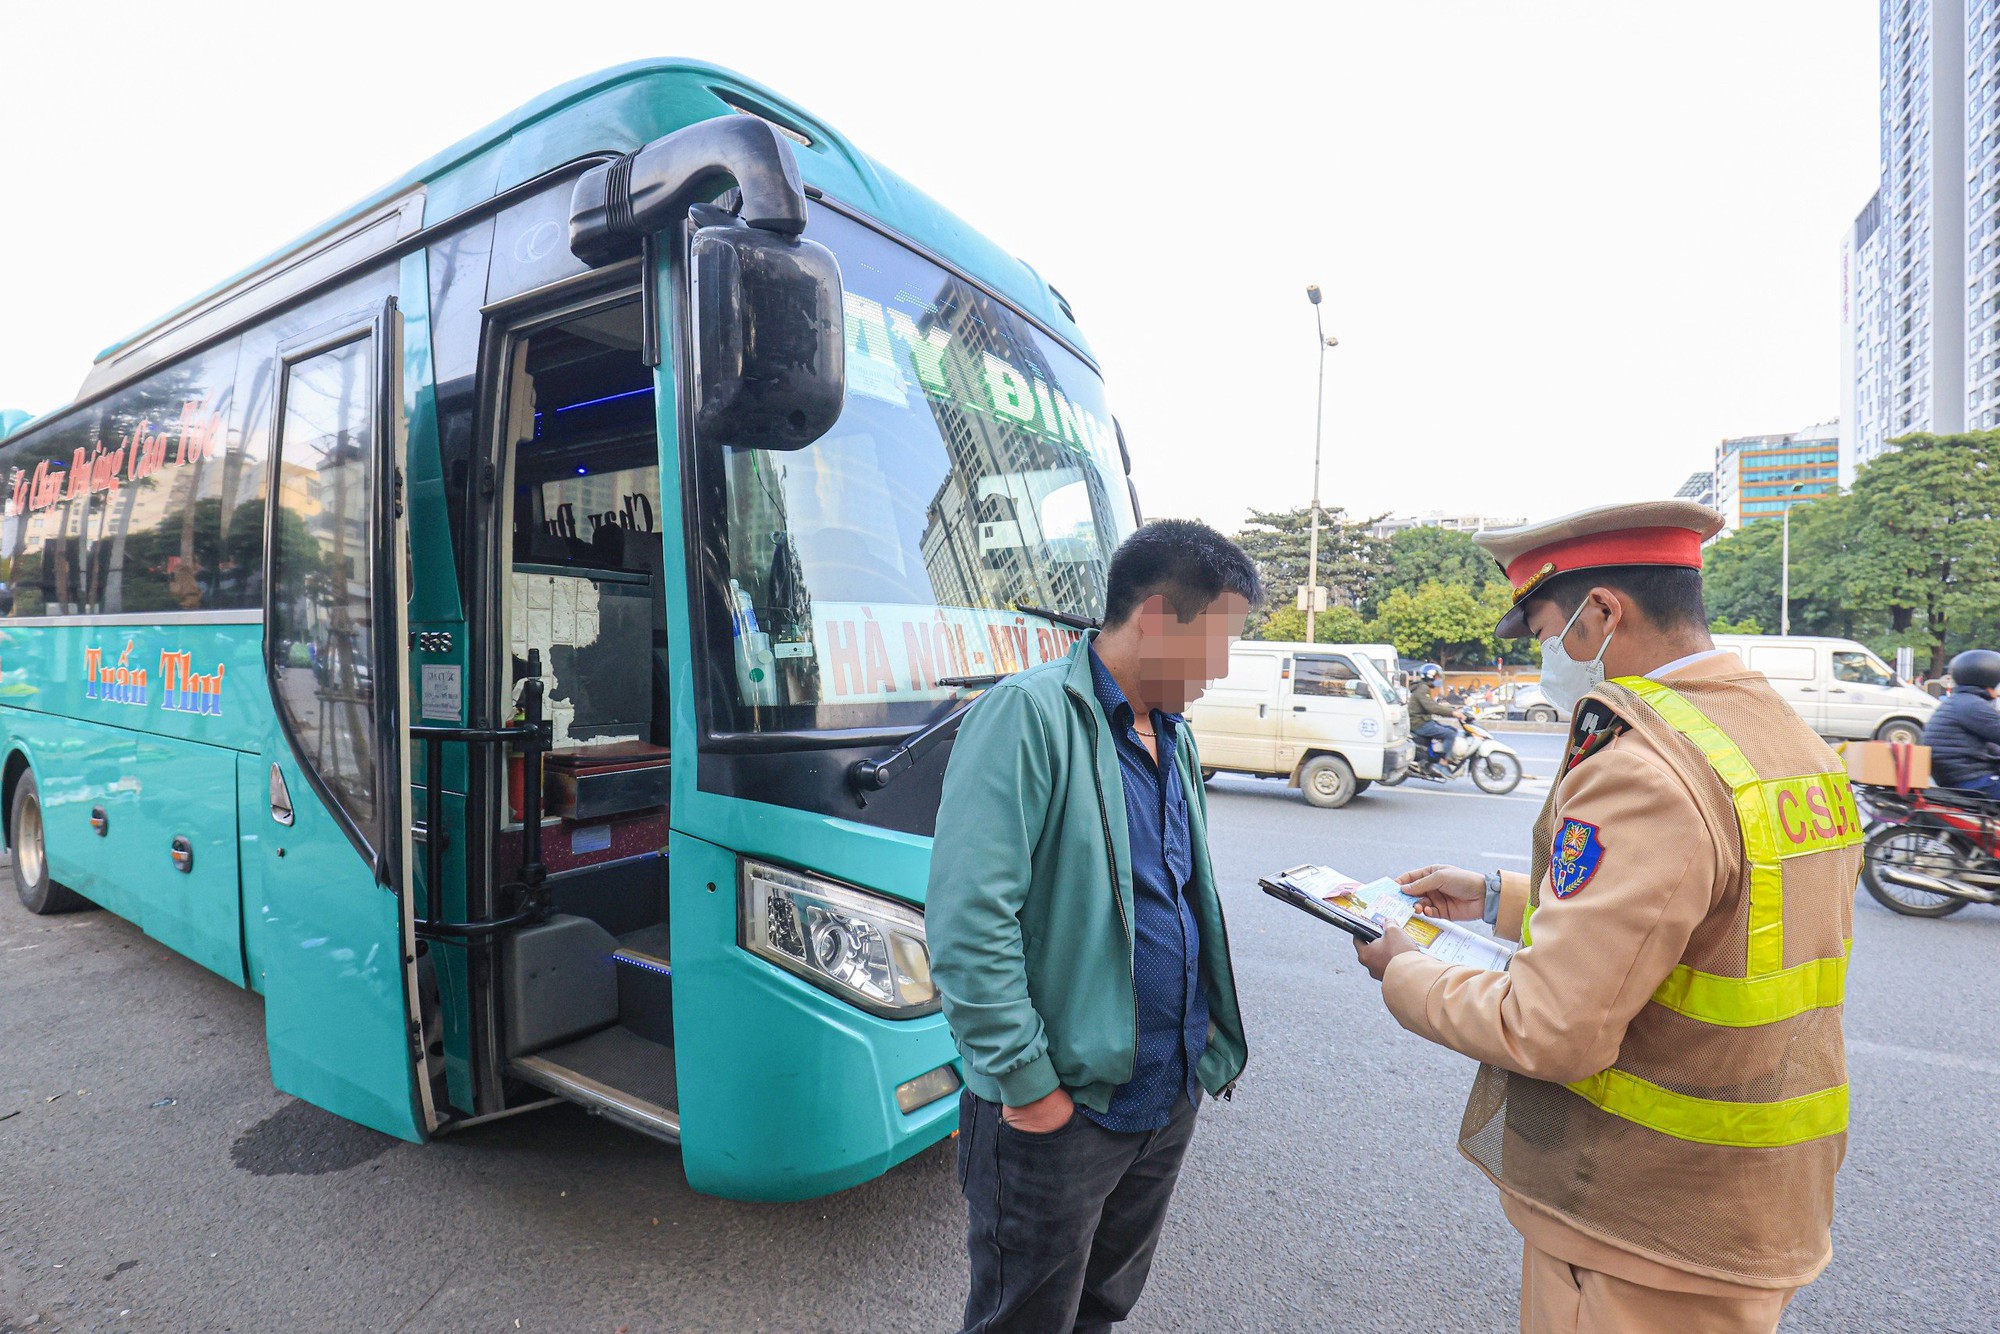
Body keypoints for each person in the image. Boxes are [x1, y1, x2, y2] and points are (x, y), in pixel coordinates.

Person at [1350, 500, 1864, 1334]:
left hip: (1646, 1220)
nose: (1548, 657)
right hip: (1760, 1192)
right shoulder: (1785, 743)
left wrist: (1405, 967)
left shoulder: (1647, 767)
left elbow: (1549, 1029)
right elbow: (1709, 922)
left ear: (1603, 613)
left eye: (1549, 630)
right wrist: (1494, 898)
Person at [928, 519, 1259, 1334]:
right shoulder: (1026, 715)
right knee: (1024, 1318)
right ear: (1154, 617)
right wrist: (1028, 1086)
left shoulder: (1172, 735)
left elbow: (1174, 896)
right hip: (1062, 1106)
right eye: (1217, 642)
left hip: (1164, 1093)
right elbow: (970, 921)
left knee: (1101, 1307)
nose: (1221, 668)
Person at [1922, 649, 2000, 796]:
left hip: (1957, 775)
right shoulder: (1972, 705)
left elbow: (1990, 744)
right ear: (1988, 678)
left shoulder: (1960, 701)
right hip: (1971, 779)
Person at [1408, 663, 1463, 764]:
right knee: (1449, 734)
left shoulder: (1423, 688)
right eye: (1437, 677)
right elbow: (1432, 708)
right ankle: (1444, 761)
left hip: (1423, 721)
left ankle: (1437, 754)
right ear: (1430, 677)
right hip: (1419, 724)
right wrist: (1453, 713)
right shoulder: (1422, 689)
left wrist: (1452, 710)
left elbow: (1433, 706)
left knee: (1452, 730)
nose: (1439, 679)